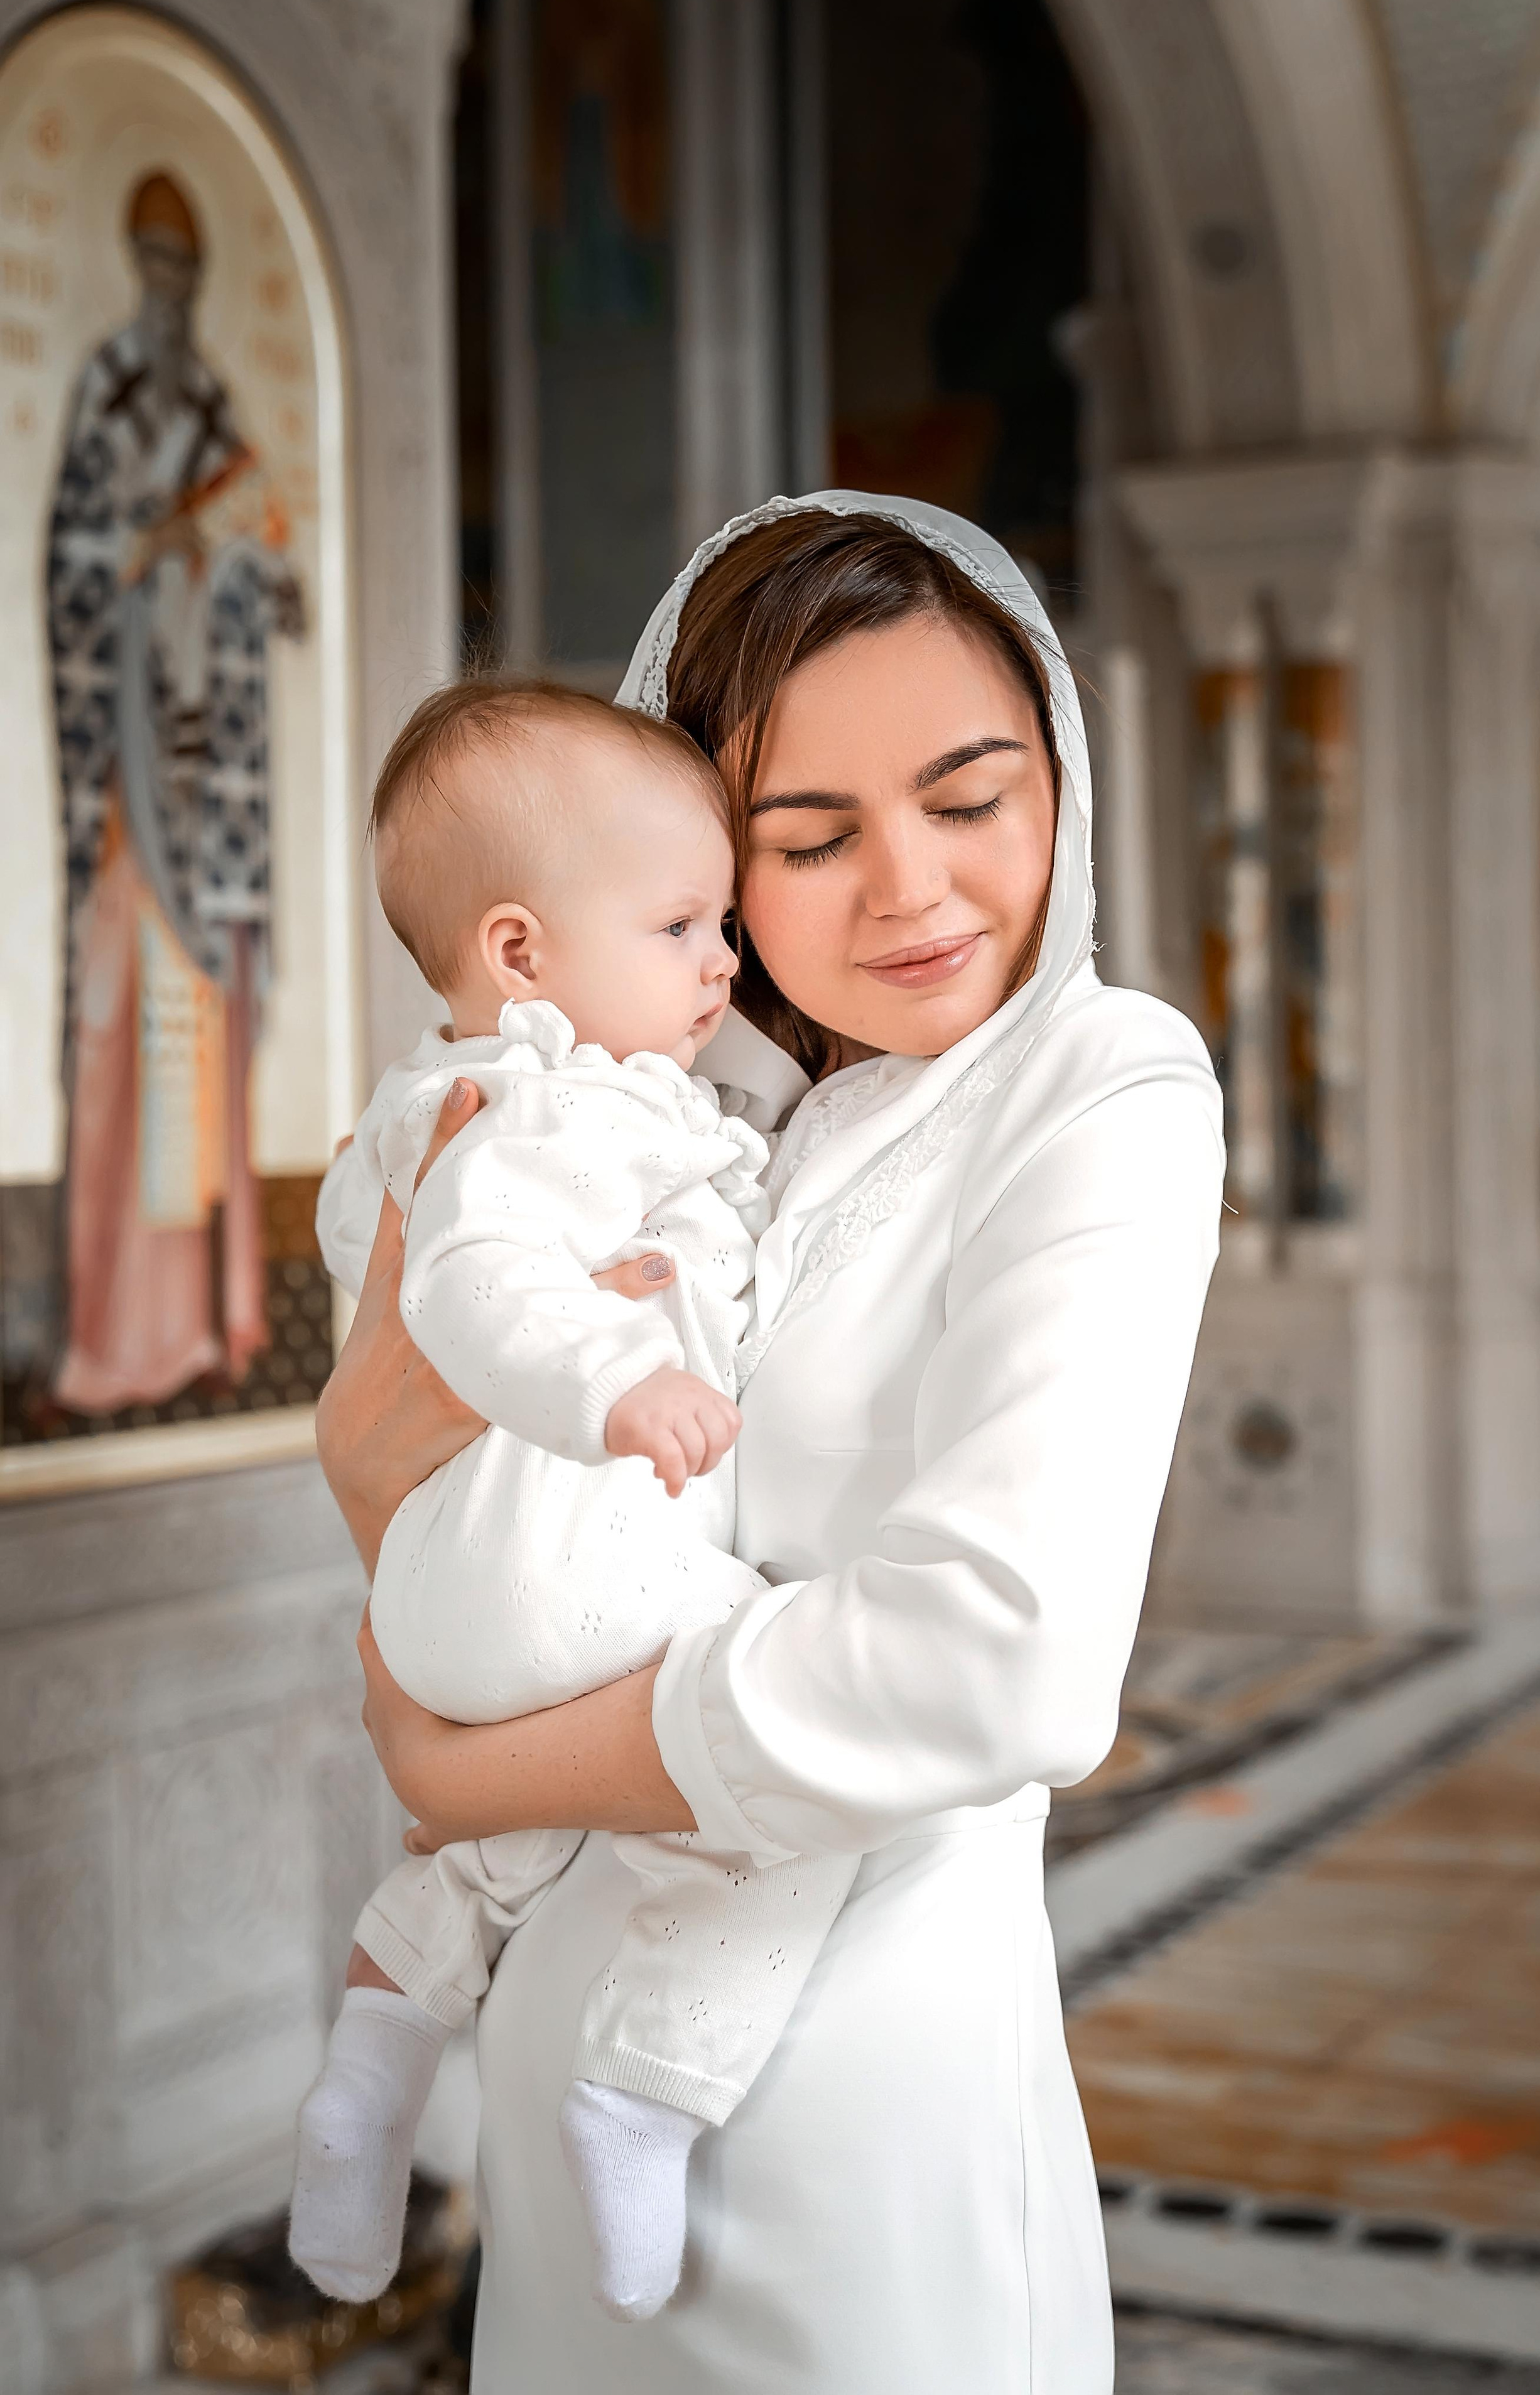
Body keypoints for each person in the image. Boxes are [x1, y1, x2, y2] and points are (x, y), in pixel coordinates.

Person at [319, 492, 1225, 2391]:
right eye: (807, 841)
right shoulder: (679, 1125)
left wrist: (460, 1766)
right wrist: (368, 1471)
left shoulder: (1100, 1085)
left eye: (969, 801)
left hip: (854, 2123)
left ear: (1059, 780)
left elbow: (998, 1659)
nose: (909, 889)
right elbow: (433, 1468)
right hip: (555, 2095)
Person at [288, 679, 854, 2322]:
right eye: (682, 926)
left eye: (723, 925)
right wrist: (613, 1385)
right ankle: (651, 2085)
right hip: (553, 1543)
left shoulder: (465, 1094)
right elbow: (475, 1286)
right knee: (801, 1748)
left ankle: (370, 2070)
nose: (721, 964)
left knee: (500, 1851)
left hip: (462, 1585)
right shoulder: (541, 1102)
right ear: (521, 954)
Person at [48, 168, 303, 1414]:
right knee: (127, 1056)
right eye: (153, 267)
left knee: (207, 1053)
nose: (168, 293)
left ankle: (207, 1326)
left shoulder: (209, 409)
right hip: (134, 804)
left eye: (184, 273)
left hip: (221, 812)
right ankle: (115, 1340)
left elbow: (274, 571)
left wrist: (238, 561)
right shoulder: (105, 396)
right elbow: (75, 573)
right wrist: (152, 556)